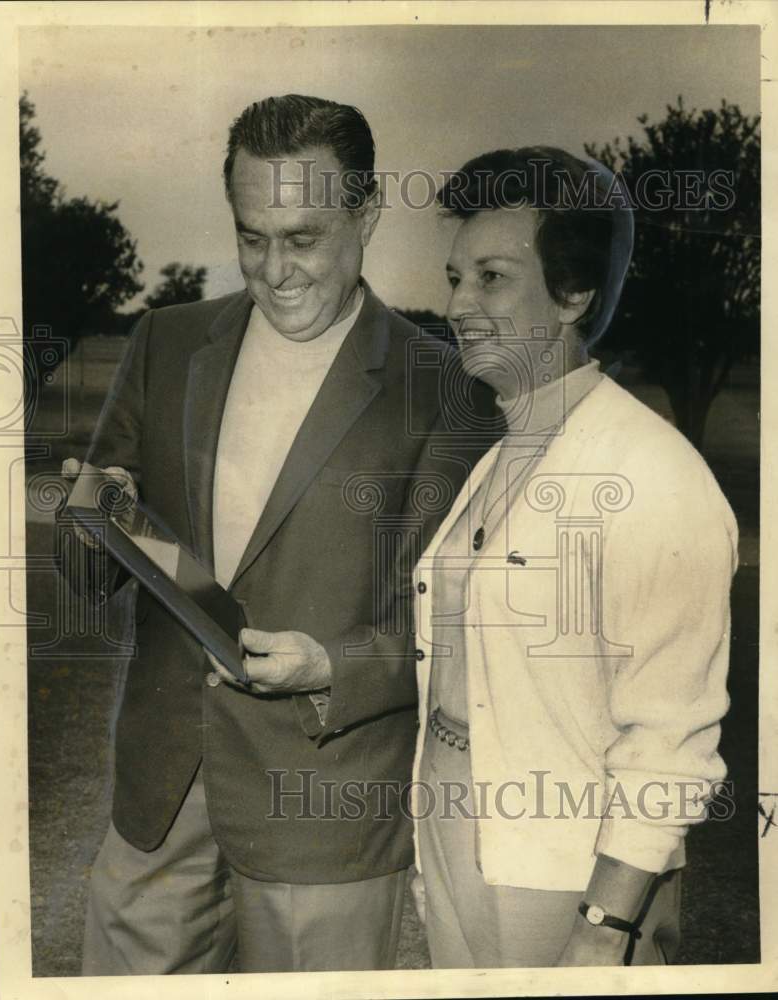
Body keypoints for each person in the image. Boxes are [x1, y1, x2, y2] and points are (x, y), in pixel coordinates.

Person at [61, 94, 493, 974]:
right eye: (251, 237)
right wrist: (89, 518)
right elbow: (94, 570)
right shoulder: (165, 342)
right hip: (160, 796)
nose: (274, 269)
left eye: (302, 238)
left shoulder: (445, 389)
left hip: (325, 808)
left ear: (366, 214)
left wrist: (332, 667)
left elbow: (462, 621)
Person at [409, 147, 738, 967]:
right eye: (454, 277)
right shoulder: (499, 453)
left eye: (490, 277)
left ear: (575, 294)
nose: (457, 304)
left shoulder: (652, 473)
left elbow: (671, 739)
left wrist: (605, 928)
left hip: (568, 868)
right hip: (455, 827)